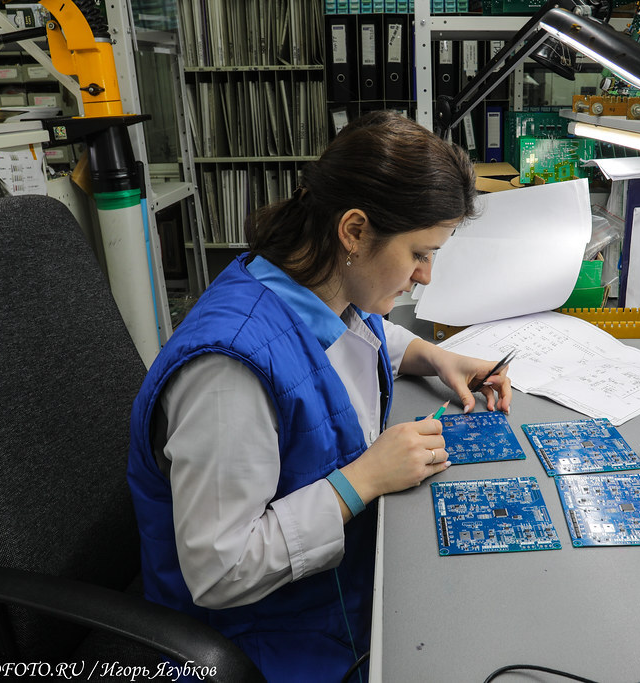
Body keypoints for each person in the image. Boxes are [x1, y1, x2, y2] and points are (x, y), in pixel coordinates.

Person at [127, 110, 512, 682]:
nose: (425, 276)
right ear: (354, 231)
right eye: (418, 254)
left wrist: (436, 356)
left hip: (325, 595)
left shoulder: (311, 282)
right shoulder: (227, 376)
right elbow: (218, 569)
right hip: (262, 641)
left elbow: (357, 336)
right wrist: (364, 479)